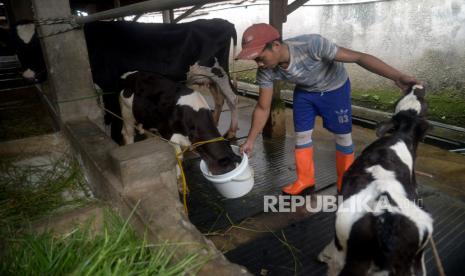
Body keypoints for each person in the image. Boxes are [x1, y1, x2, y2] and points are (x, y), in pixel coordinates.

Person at [236, 23, 419, 195]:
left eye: (260, 57)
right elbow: (263, 107)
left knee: (342, 136)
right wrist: (250, 141)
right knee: (301, 135)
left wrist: (397, 76)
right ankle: (305, 180)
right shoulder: (266, 70)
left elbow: (358, 57)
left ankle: (345, 181)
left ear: (275, 45)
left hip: (335, 89)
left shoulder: (311, 44)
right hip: (306, 92)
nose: (258, 64)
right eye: (255, 60)